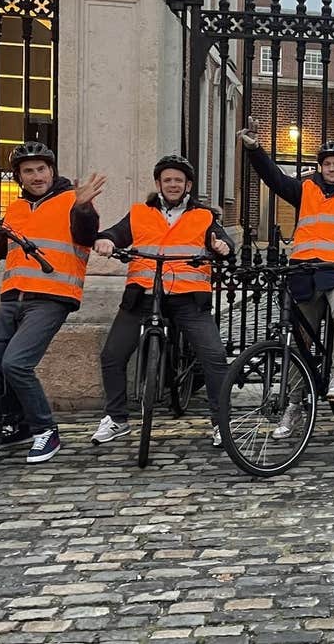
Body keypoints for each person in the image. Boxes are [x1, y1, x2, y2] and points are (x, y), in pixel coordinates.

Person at [238, 115, 334, 438]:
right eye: (327, 164)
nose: (331, 168)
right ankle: (294, 403)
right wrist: (255, 149)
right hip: (304, 273)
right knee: (297, 340)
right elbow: (275, 179)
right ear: (320, 167)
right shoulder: (305, 190)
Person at [0, 141, 104, 464]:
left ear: (52, 170)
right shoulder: (16, 208)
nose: (36, 176)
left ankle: (46, 430)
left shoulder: (72, 200)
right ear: (19, 176)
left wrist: (84, 206)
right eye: (28, 171)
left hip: (52, 298)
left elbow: (86, 236)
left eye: (41, 169)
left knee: (16, 364)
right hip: (12, 296)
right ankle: (16, 425)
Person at [89, 154, 233, 447]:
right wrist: (106, 240)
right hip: (142, 295)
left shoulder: (204, 216)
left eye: (178, 180)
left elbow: (226, 244)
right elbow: (117, 233)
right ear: (158, 183)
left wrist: (222, 247)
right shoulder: (140, 212)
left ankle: (221, 424)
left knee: (215, 357)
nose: (173, 184)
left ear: (188, 184)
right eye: (167, 180)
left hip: (188, 299)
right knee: (112, 355)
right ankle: (116, 418)